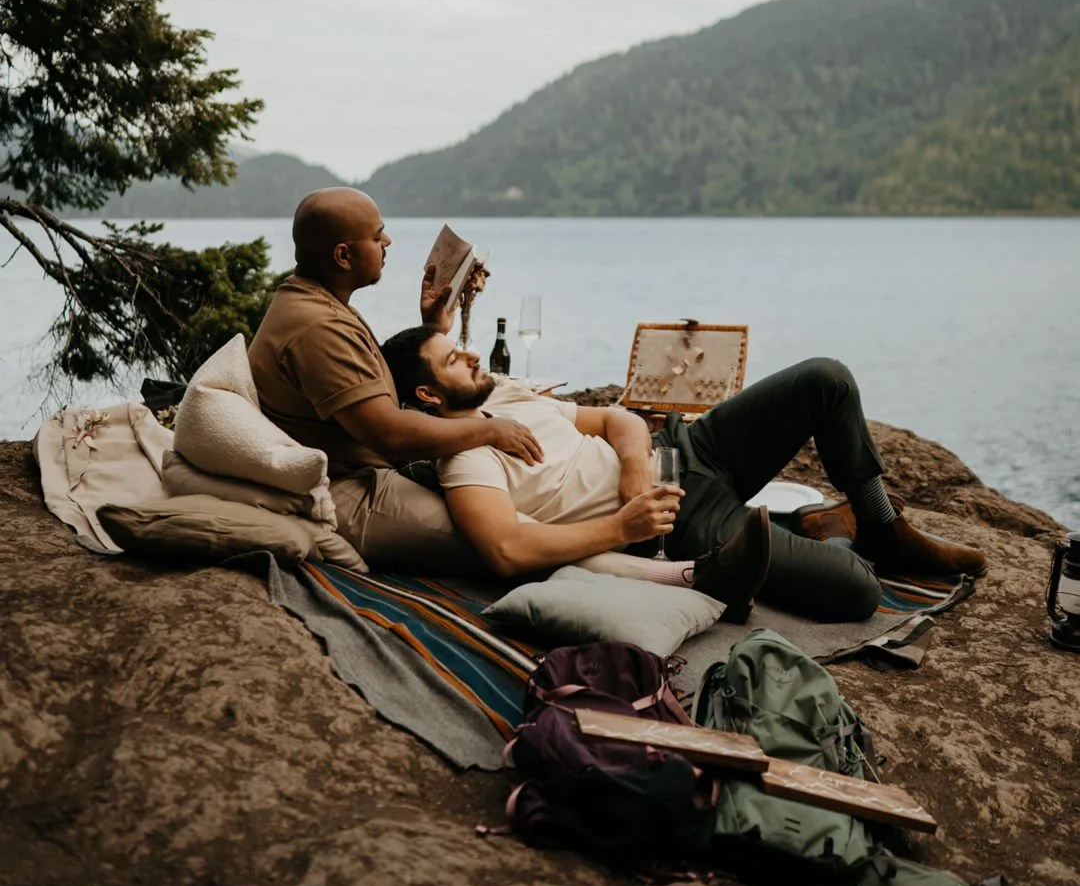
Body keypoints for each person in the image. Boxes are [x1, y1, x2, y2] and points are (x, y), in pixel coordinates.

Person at [379, 326, 988, 624]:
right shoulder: (465, 461)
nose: (472, 354)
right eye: (455, 358)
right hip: (681, 521)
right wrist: (623, 523)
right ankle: (822, 528)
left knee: (825, 379)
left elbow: (616, 419)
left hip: (688, 449)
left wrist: (634, 467)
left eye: (462, 345)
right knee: (857, 591)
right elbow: (506, 551)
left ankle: (879, 521)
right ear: (429, 395)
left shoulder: (506, 395)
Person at [247, 188, 545, 572]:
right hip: (345, 489)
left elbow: (369, 392)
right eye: (376, 236)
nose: (387, 242)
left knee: (525, 509)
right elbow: (390, 433)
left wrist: (432, 327)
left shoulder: (318, 302)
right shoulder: (318, 326)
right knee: (506, 539)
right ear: (343, 255)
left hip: (368, 470)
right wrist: (492, 432)